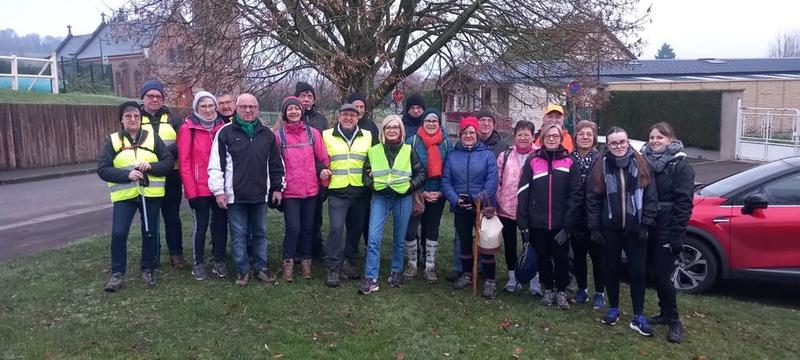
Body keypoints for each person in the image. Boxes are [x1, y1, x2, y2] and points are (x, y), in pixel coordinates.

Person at [208, 93, 286, 286]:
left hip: (260, 194)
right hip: (235, 196)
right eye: (244, 107)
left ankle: (261, 267)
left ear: (257, 109)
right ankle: (242, 270)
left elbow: (276, 164)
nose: (248, 110)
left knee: (260, 233)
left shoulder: (267, 134)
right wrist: (219, 191)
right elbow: (215, 165)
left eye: (252, 106)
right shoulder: (225, 133)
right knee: (238, 234)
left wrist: (277, 188)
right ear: (237, 108)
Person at [587, 127, 658, 336]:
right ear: (607, 145)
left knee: (637, 271)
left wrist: (646, 224)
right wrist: (594, 228)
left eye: (622, 142)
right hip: (610, 228)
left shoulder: (642, 164)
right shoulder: (601, 166)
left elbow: (651, 198)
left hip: (636, 228)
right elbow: (592, 199)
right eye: (613, 143)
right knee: (611, 269)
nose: (618, 146)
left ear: (628, 143)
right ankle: (614, 308)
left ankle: (638, 315)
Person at [98, 101, 174, 291]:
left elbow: (168, 162)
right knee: (118, 233)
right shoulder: (113, 140)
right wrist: (127, 175)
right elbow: (103, 169)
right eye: (128, 116)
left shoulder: (152, 138)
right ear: (121, 120)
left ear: (141, 119)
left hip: (151, 193)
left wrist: (151, 166)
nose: (133, 119)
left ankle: (148, 269)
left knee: (149, 232)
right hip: (125, 194)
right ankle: (117, 273)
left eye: (137, 116)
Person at [359, 116, 426, 294]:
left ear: (401, 130)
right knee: (373, 237)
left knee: (399, 238)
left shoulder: (408, 150)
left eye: (396, 127)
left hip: (402, 198)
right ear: (383, 130)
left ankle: (396, 271)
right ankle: (370, 276)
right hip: (380, 198)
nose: (392, 130)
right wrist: (372, 185)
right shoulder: (373, 151)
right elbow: (365, 175)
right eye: (388, 127)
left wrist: (410, 187)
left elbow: (421, 173)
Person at [641, 122, 695, 343]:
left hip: (667, 225)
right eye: (652, 137)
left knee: (663, 276)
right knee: (652, 271)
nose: (654, 141)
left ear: (670, 140)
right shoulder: (645, 161)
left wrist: (677, 235)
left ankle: (674, 321)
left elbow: (684, 203)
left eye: (660, 138)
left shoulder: (680, 166)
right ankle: (663, 312)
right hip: (649, 223)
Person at [517, 123, 576, 309]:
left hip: (561, 223)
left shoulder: (569, 162)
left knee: (561, 258)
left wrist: (568, 224)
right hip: (538, 222)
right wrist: (523, 221)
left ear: (561, 139)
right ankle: (548, 289)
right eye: (548, 136)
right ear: (542, 139)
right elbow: (523, 192)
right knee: (543, 257)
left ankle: (561, 292)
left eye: (555, 136)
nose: (551, 139)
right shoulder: (533, 161)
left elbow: (576, 195)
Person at [442, 117, 499, 299]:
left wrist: (478, 199)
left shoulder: (487, 155)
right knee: (465, 242)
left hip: (482, 207)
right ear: (460, 135)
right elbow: (446, 181)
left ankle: (490, 279)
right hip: (461, 206)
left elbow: (492, 182)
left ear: (477, 135)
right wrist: (454, 199)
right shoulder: (452, 155)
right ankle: (467, 274)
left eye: (472, 133)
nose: (468, 135)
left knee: (486, 244)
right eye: (465, 133)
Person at [275, 96, 330, 282]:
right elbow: (275, 164)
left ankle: (307, 262)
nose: (294, 112)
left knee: (308, 228)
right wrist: (277, 189)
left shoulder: (312, 133)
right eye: (289, 109)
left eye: (296, 109)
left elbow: (323, 159)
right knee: (293, 228)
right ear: (284, 113)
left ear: (302, 111)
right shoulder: (279, 136)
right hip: (290, 192)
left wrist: (324, 184)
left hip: (311, 191)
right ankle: (288, 263)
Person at [321, 103, 376, 287]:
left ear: (358, 116)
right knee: (336, 229)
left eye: (352, 115)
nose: (348, 118)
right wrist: (321, 169)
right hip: (338, 190)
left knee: (355, 230)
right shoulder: (327, 135)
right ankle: (333, 266)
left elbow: (374, 158)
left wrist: (372, 171)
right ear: (339, 116)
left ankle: (349, 262)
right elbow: (319, 158)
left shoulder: (367, 136)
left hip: (360, 191)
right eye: (345, 114)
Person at [177, 91, 229, 281]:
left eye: (210, 106)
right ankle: (198, 263)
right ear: (196, 108)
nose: (208, 110)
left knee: (220, 225)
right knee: (201, 225)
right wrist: (191, 191)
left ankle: (219, 260)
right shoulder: (188, 129)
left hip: (220, 187)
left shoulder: (223, 127)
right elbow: (185, 163)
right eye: (203, 106)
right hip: (199, 188)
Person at [139, 79, 186, 269]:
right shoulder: (135, 118)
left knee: (172, 217)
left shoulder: (174, 119)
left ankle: (176, 254)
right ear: (142, 98)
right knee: (149, 218)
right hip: (146, 175)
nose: (154, 99)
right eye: (150, 96)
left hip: (171, 175)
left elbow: (182, 142)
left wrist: (163, 156)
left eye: (158, 96)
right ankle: (152, 256)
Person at [404, 109, 452, 282]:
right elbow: (406, 170)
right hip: (416, 193)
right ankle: (412, 262)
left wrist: (441, 192)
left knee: (432, 229)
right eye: (427, 121)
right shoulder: (412, 141)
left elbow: (450, 170)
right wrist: (420, 192)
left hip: (437, 194)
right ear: (422, 123)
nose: (431, 124)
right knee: (410, 229)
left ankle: (430, 264)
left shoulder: (446, 143)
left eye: (434, 121)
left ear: (439, 123)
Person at [564, 120, 606, 309]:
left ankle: (599, 292)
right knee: (578, 258)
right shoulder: (568, 159)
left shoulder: (602, 160)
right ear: (576, 137)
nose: (585, 137)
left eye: (589, 134)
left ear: (594, 138)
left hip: (596, 218)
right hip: (575, 217)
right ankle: (582, 289)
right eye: (582, 134)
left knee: (598, 258)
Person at [495, 121, 536, 293]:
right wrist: (497, 201)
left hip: (532, 210)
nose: (523, 137)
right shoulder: (505, 156)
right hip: (507, 209)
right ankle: (512, 278)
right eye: (520, 134)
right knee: (510, 244)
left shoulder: (539, 155)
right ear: (515, 136)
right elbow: (497, 180)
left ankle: (535, 280)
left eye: (527, 134)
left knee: (533, 245)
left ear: (533, 137)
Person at [296, 81, 329, 260]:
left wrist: (322, 170)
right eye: (303, 96)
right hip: (297, 174)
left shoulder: (321, 120)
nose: (306, 100)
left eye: (310, 96)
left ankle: (316, 245)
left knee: (315, 214)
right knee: (296, 215)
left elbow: (324, 149)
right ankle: (299, 247)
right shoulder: (289, 116)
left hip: (317, 174)